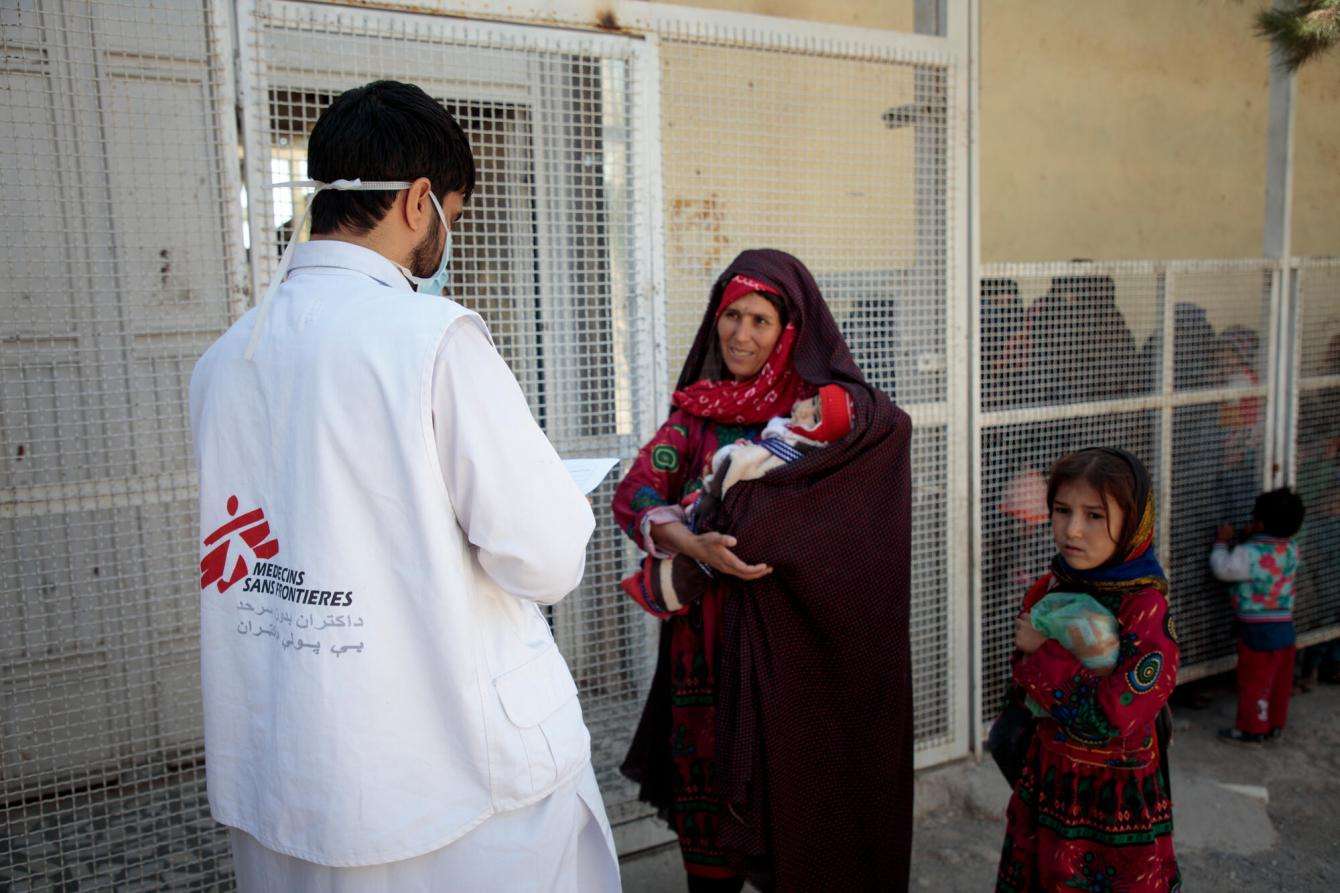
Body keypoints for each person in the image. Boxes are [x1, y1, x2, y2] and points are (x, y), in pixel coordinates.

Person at [189, 81, 619, 891]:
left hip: (292, 764)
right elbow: (545, 559)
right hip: (446, 786)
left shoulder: (225, 359)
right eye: (452, 208)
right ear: (421, 202)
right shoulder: (432, 339)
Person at [613, 253, 914, 891]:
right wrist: (693, 546)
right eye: (731, 316)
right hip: (706, 648)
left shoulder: (823, 420)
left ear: (790, 333)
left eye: (760, 320)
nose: (741, 335)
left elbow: (878, 458)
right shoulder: (695, 417)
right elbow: (636, 492)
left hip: (793, 652)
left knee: (794, 805)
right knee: (710, 806)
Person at [997, 447, 1180, 893]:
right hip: (1047, 786)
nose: (1072, 530)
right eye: (1062, 510)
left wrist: (1043, 653)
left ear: (1133, 521)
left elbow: (1111, 717)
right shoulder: (1053, 584)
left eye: (1094, 516)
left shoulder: (1145, 609)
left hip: (1113, 805)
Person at [1212, 488, 1306, 745]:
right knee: (1279, 682)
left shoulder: (1249, 553)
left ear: (1259, 523)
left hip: (1257, 629)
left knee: (1254, 681)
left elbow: (1224, 570)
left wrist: (1222, 543)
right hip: (1284, 626)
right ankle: (1274, 724)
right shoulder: (1292, 549)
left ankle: (1252, 730)